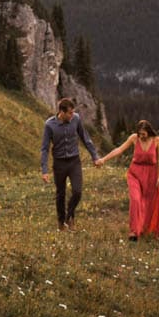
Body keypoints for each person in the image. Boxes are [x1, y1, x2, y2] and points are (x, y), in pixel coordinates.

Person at [40, 97, 102, 230]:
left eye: (73, 112)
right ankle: (61, 222)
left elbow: (86, 138)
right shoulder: (49, 125)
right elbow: (44, 148)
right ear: (61, 112)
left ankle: (70, 214)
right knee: (60, 194)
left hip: (74, 161)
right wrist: (44, 170)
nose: (72, 115)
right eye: (69, 113)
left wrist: (95, 156)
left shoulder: (76, 119)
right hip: (59, 163)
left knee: (77, 191)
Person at [98, 120, 159, 240]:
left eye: (143, 134)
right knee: (135, 200)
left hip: (151, 175)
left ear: (148, 132)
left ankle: (145, 228)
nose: (141, 136)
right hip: (135, 174)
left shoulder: (157, 140)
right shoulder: (134, 138)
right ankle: (134, 232)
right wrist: (104, 159)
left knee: (149, 203)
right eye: (139, 134)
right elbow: (119, 149)